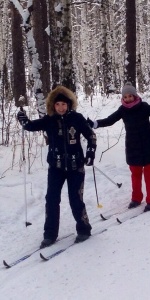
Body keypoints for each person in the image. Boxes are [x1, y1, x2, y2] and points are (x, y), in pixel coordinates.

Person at [17, 85, 97, 248]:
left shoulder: (77, 118)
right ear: (53, 106)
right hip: (56, 167)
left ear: (69, 105)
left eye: (64, 104)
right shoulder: (49, 120)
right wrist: (23, 120)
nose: (61, 108)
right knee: (51, 199)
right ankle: (50, 235)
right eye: (58, 105)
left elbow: (91, 136)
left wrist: (90, 152)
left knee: (75, 199)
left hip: (76, 166)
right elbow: (32, 126)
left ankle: (84, 229)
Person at [88, 82, 150, 212]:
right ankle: (136, 198)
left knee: (149, 173)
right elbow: (110, 120)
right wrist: (96, 123)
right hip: (132, 145)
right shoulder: (123, 110)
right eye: (125, 97)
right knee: (135, 173)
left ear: (135, 95)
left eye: (130, 96)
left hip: (148, 143)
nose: (128, 99)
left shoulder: (144, 106)